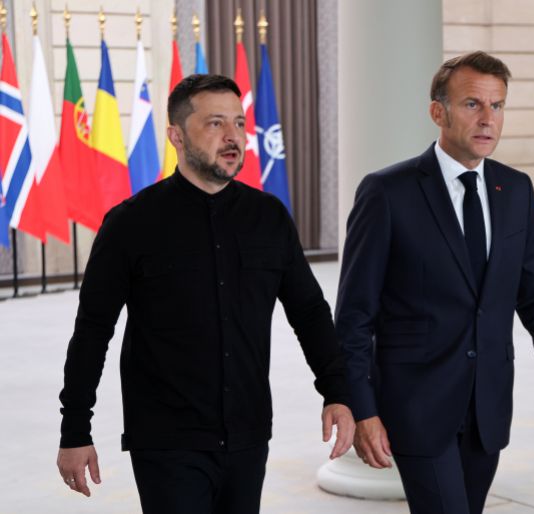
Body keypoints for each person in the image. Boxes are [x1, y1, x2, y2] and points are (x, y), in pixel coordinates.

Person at [56, 74, 354, 513]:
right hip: (166, 440)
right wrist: (75, 430)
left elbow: (309, 312)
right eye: (215, 124)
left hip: (249, 435)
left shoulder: (269, 217)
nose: (233, 136)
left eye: (238, 122)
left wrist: (338, 391)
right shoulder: (130, 224)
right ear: (176, 135)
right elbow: (92, 331)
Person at [335, 51, 534, 514]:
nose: (487, 119)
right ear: (439, 111)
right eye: (473, 104)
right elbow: (354, 315)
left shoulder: (515, 190)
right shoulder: (387, 193)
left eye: (497, 106)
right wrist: (363, 408)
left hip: (487, 404)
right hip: (415, 404)